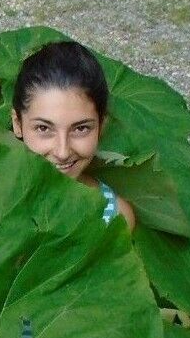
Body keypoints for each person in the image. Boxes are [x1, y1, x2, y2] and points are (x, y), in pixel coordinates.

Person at [10, 40, 136, 230]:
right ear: (17, 123)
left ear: (101, 126)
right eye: (43, 128)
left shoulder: (116, 218)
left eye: (81, 128)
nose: (63, 152)